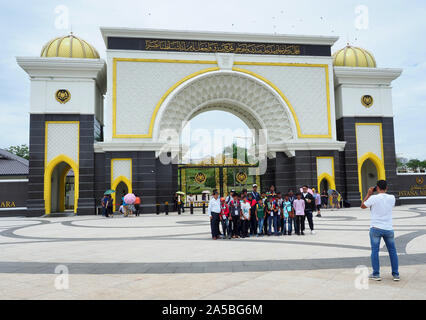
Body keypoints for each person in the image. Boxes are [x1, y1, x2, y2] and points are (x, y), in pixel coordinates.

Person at [361, 180, 399, 281]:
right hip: (388, 228)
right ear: (386, 188)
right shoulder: (392, 198)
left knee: (375, 251)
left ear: (377, 188)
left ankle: (376, 274)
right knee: (392, 251)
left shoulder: (373, 198)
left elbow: (362, 206)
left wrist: (368, 194)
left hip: (376, 228)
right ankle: (396, 274)